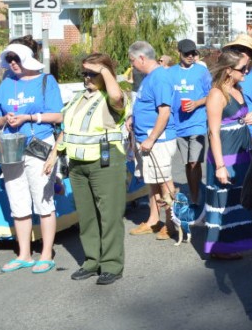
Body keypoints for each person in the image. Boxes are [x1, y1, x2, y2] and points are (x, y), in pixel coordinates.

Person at [48, 54, 128, 285]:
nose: (87, 78)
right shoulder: (78, 98)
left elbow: (115, 96)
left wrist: (104, 71)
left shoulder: (114, 96)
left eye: (92, 73)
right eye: (84, 73)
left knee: (109, 215)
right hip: (77, 164)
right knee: (86, 215)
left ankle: (112, 265)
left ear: (106, 73)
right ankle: (92, 261)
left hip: (105, 163)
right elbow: (66, 128)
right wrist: (54, 154)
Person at [0, 40, 63, 274]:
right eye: (9, 59)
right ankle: (24, 253)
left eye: (16, 58)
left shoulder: (46, 81)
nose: (12, 63)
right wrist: (7, 119)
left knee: (43, 200)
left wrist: (29, 118)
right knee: (17, 199)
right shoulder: (6, 83)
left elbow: (58, 115)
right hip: (12, 147)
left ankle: (46, 252)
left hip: (39, 144)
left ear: (26, 58)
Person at [204, 51, 252, 259]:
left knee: (240, 197)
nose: (247, 71)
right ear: (228, 70)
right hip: (225, 153)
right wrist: (220, 165)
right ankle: (220, 248)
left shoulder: (238, 88)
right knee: (224, 200)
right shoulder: (216, 94)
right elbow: (213, 132)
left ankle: (236, 241)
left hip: (243, 150)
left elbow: (238, 116)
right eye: (243, 69)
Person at [127, 41, 178, 240]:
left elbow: (164, 112)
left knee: (164, 181)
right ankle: (153, 220)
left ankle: (171, 222)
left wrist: (151, 138)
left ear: (141, 58)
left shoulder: (160, 78)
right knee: (153, 180)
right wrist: (133, 118)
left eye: (132, 60)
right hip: (146, 139)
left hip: (158, 141)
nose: (131, 65)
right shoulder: (150, 78)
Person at [171, 39, 211, 204]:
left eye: (193, 53)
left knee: (195, 161)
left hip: (198, 123)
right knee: (188, 163)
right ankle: (194, 191)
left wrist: (196, 103)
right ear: (178, 52)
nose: (190, 56)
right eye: (187, 53)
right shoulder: (171, 73)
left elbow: (212, 95)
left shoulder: (202, 71)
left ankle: (195, 199)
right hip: (179, 123)